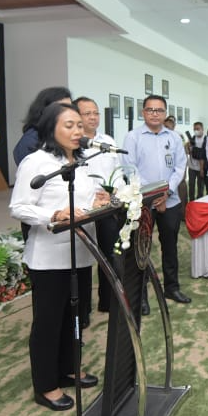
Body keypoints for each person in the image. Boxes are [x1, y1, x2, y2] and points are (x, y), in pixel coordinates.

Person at [9, 102, 108, 411]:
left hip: (81, 251)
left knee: (75, 317)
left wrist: (99, 200)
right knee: (49, 323)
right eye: (70, 125)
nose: (78, 130)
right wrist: (53, 214)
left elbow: (84, 200)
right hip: (49, 258)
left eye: (79, 125)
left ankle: (68, 369)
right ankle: (46, 385)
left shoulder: (81, 160)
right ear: (51, 128)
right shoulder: (36, 162)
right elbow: (19, 207)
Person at [122, 95, 191, 304]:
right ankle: (140, 296)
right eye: (150, 110)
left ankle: (172, 288)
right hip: (142, 203)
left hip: (170, 201)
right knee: (141, 249)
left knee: (170, 246)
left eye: (159, 110)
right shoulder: (133, 137)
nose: (155, 114)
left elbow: (180, 167)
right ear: (143, 112)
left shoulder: (174, 137)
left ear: (165, 113)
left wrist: (166, 192)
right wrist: (153, 194)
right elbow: (130, 169)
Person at [74, 96, 121, 317]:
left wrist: (114, 192)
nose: (93, 117)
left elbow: (118, 171)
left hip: (107, 207)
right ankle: (82, 311)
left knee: (109, 255)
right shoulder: (73, 144)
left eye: (96, 113)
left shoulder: (108, 141)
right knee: (82, 261)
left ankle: (107, 301)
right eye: (87, 113)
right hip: (83, 209)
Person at [12, 86, 72, 166]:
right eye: (62, 108)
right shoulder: (30, 141)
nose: (69, 113)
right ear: (45, 110)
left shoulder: (64, 136)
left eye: (70, 108)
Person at [186, 121, 206, 201]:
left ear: (202, 129)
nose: (196, 131)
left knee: (200, 186)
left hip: (201, 168)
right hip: (191, 167)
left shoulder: (206, 139)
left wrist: (202, 169)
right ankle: (191, 201)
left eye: (198, 129)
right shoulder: (192, 139)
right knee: (191, 185)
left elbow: (205, 155)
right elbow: (188, 152)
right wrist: (188, 146)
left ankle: (199, 201)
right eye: (194, 129)